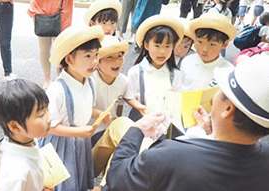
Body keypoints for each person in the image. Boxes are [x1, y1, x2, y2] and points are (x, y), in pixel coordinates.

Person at [103, 54, 269, 191]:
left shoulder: (169, 156)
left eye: (220, 90)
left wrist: (137, 129)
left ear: (227, 109)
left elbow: (118, 176)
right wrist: (201, 134)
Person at [39, 26, 104, 191]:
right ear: (69, 60)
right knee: (63, 182)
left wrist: (99, 114)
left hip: (80, 140)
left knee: (77, 178)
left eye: (96, 55)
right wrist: (78, 133)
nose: (94, 61)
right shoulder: (57, 89)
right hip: (61, 145)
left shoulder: (90, 82)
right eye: (88, 56)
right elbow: (50, 126)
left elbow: (88, 107)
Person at [0, 79, 52, 191]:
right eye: (41, 114)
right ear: (15, 127)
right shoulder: (16, 174)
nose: (49, 118)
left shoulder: (27, 140)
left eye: (48, 109)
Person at [124, 15, 184, 121]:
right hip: (140, 120)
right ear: (146, 45)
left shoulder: (175, 74)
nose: (162, 52)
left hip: (165, 122)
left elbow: (177, 98)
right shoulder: (136, 71)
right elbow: (128, 95)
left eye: (167, 46)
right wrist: (140, 107)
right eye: (157, 46)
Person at [89, 35, 129, 147]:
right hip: (92, 131)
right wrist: (99, 114)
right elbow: (82, 108)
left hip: (112, 128)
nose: (116, 61)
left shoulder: (124, 81)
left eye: (120, 56)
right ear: (97, 63)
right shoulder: (89, 81)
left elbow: (120, 105)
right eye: (110, 57)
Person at [180, 13, 237, 91]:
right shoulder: (187, 61)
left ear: (225, 44)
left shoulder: (228, 71)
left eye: (212, 44)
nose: (205, 49)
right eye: (200, 42)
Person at [27, 0, 74, 89]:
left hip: (63, 10)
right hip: (40, 9)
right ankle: (47, 80)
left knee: (61, 49)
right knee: (44, 48)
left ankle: (61, 79)